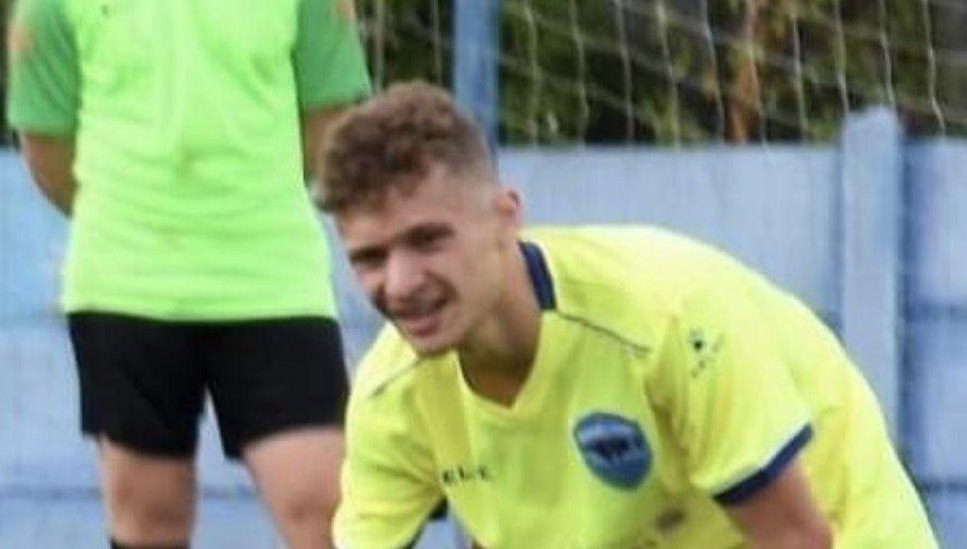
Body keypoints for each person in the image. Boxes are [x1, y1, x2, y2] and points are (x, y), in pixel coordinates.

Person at [318, 82, 938, 548]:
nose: (399, 285)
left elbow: (796, 539)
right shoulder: (389, 398)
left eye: (428, 241)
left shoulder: (669, 318)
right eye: (369, 257)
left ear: (506, 217)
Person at [6, 0, 370, 547]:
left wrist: (240, 203)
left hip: (273, 280)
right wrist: (136, 216)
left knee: (329, 515)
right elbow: (46, 142)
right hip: (125, 285)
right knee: (147, 524)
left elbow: (330, 120)